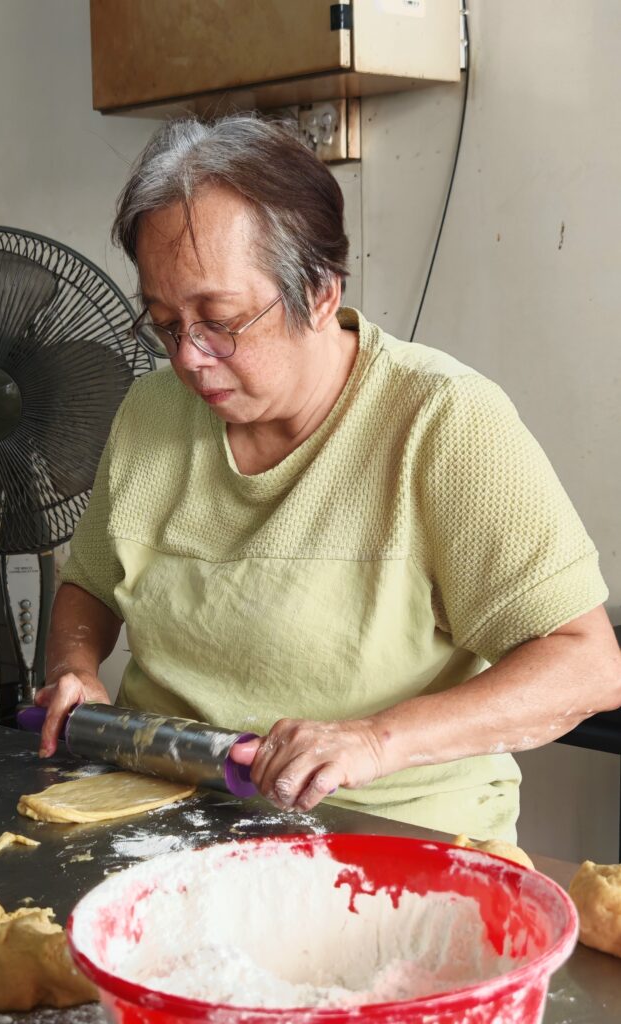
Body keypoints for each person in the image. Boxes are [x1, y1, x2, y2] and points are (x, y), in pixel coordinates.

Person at [35, 115, 621, 841]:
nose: (188, 356)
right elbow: (91, 586)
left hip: (388, 835)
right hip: (165, 819)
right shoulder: (150, 413)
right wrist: (75, 668)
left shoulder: (440, 420)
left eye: (220, 320)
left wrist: (375, 741)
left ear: (319, 292)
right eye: (163, 322)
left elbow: (586, 665)